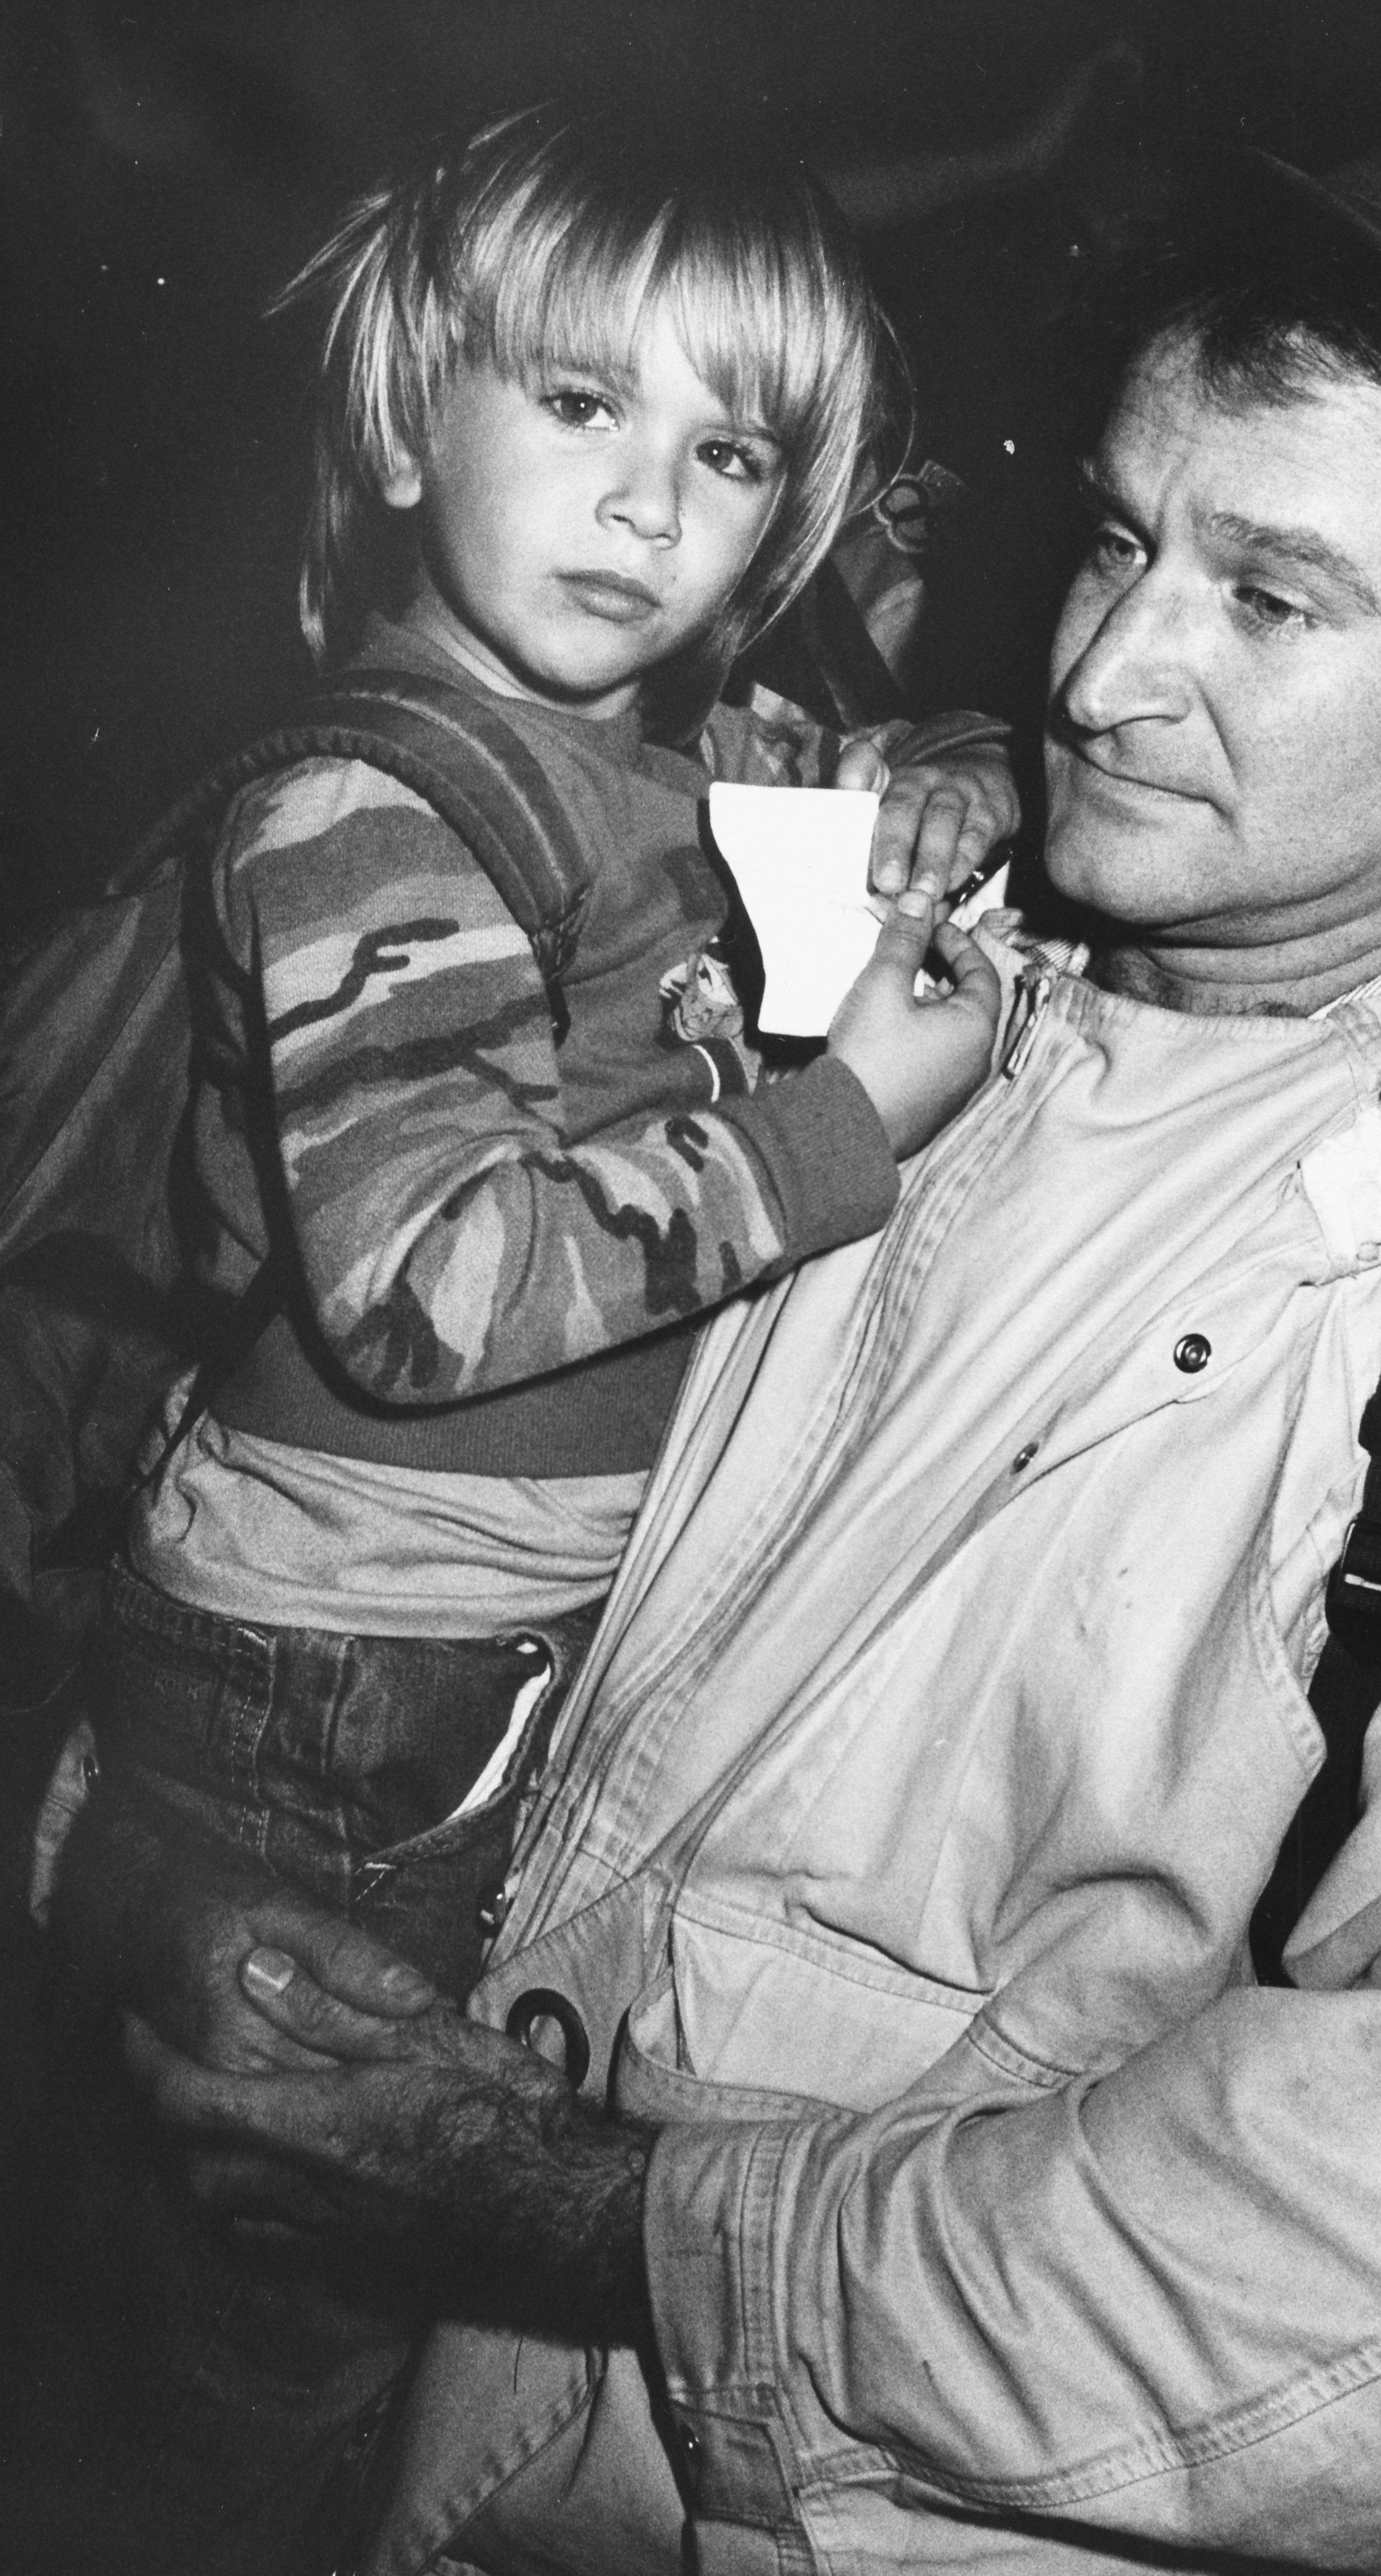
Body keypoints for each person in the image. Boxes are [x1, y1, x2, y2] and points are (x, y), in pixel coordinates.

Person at [105, 123, 1381, 2576]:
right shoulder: (923, 967)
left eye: (1272, 595)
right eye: (1123, 534)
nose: (1106, 665)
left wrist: (555, 2204)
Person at [34, 105, 1014, 2575]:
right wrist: (838, 1127)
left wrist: (934, 780)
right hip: (330, 1686)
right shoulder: (376, 802)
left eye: (728, 449)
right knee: (291, 2292)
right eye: (577, 408)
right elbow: (431, 1278)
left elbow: (826, 819)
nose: (649, 507)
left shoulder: (636, 764)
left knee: (347, 2268)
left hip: (448, 1667)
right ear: (402, 417)